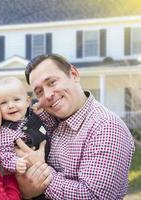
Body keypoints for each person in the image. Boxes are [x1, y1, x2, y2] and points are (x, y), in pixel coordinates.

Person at [16, 54, 135, 199]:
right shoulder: (50, 121)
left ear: (74, 74)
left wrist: (41, 171)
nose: (47, 95)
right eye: (39, 91)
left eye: (52, 82)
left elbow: (93, 197)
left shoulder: (106, 127)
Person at [0, 77, 50, 200]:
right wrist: (15, 163)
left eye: (16, 100)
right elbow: (4, 154)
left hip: (48, 169)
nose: (11, 105)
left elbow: (48, 127)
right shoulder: (5, 132)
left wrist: (42, 113)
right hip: (26, 176)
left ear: (27, 101)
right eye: (3, 103)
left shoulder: (33, 115)